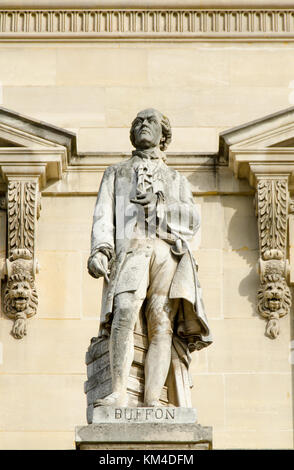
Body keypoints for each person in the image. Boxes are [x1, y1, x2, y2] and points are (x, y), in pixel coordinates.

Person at [87, 108, 212, 407]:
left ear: (163, 134)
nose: (144, 125)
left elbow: (192, 219)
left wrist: (159, 207)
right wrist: (100, 249)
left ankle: (153, 399)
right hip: (132, 248)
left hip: (166, 249)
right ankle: (118, 391)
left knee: (161, 320)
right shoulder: (117, 172)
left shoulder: (176, 178)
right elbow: (104, 215)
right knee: (125, 310)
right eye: (138, 122)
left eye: (151, 121)